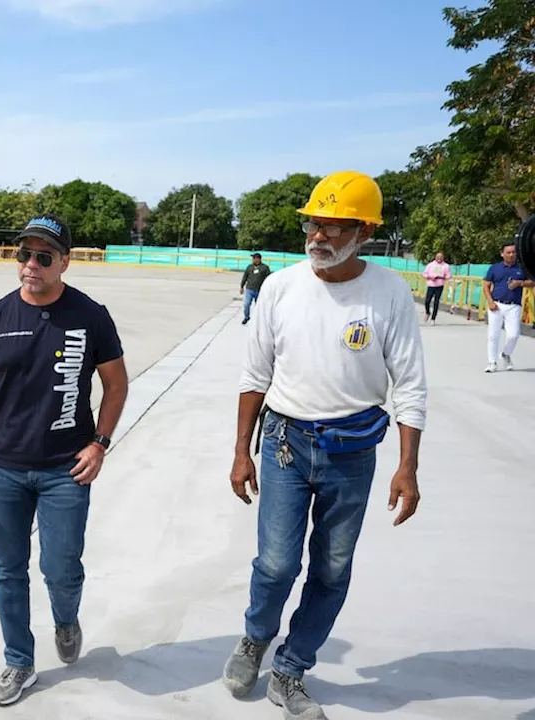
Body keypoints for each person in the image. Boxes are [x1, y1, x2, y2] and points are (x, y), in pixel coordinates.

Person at [223, 171, 428, 720]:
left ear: (364, 232)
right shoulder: (280, 286)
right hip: (285, 443)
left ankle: (290, 669)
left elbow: (408, 383)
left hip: (353, 450)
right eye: (314, 223)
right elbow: (254, 373)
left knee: (333, 568)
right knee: (275, 563)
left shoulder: (388, 293)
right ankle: (254, 639)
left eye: (333, 227)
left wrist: (407, 466)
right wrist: (242, 450)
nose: (318, 236)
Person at [0, 213, 129, 707]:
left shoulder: (90, 315)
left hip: (67, 468)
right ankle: (19, 662)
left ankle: (66, 620)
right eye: (24, 253)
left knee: (62, 569)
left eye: (44, 257)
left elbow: (116, 383)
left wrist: (100, 443)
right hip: (3, 466)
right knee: (8, 570)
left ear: (65, 262)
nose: (31, 265)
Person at [482, 241, 532, 372]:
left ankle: (505, 354)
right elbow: (486, 286)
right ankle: (492, 362)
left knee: (514, 334)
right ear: (502, 254)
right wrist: (490, 301)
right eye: (508, 252)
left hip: (513, 306)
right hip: (496, 304)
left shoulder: (522, 268)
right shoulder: (495, 268)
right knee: (493, 335)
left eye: (514, 252)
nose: (511, 255)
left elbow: (532, 282)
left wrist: (519, 283)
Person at [240, 252, 272, 325]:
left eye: (254, 258)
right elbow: (245, 277)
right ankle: (246, 317)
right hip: (249, 289)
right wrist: (242, 286)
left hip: (260, 290)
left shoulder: (265, 268)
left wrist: (268, 288)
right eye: (253, 258)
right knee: (246, 304)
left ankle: (259, 320)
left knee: (259, 306)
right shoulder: (249, 267)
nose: (253, 259)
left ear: (258, 259)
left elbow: (269, 278)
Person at [422, 252, 451, 325]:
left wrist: (442, 277)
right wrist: (429, 277)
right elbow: (424, 273)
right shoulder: (431, 265)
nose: (439, 258)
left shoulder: (446, 266)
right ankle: (427, 312)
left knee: (436, 302)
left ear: (443, 258)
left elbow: (448, 275)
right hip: (431, 284)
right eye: (438, 257)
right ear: (435, 257)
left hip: (439, 285)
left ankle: (433, 318)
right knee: (427, 301)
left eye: (441, 257)